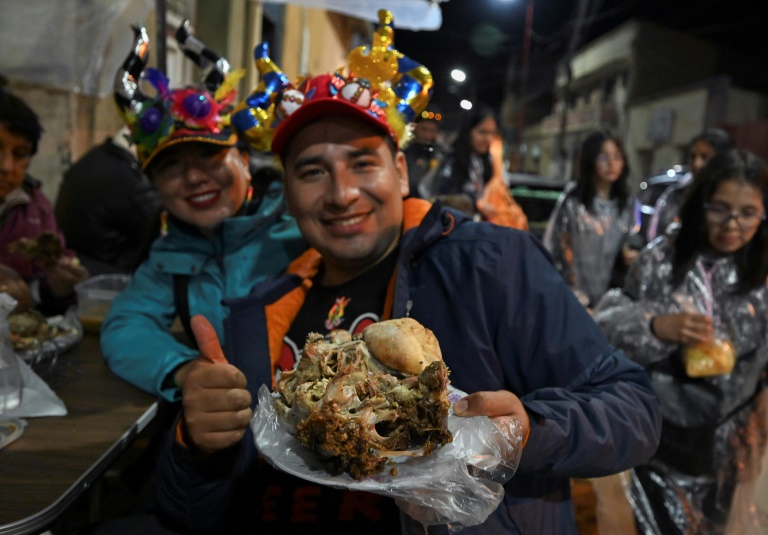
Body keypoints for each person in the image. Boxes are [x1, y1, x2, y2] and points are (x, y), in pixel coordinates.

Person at [152, 11, 660, 534]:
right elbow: (190, 513)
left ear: (400, 170)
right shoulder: (261, 311)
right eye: (312, 171)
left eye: (362, 162)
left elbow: (634, 407)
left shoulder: (491, 265)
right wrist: (197, 444)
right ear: (286, 189)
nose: (342, 192)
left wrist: (533, 432)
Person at [99, 24, 306, 402]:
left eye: (209, 155)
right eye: (171, 166)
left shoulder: (305, 224)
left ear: (245, 160)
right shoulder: (172, 254)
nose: (194, 177)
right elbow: (125, 325)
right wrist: (185, 370)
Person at [593, 149, 768, 534]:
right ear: (700, 204)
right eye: (719, 208)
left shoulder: (761, 272)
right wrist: (655, 326)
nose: (732, 224)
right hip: (660, 438)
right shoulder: (661, 261)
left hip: (731, 448)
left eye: (748, 212)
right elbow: (606, 325)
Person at [0, 89, 88, 315]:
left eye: (19, 154)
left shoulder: (37, 210)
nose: (6, 167)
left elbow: (41, 292)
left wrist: (58, 288)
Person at [543, 129, 637, 309]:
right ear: (590, 160)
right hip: (574, 302)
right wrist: (573, 296)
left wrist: (631, 255)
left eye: (617, 157)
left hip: (612, 304)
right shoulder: (573, 202)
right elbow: (558, 252)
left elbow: (631, 242)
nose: (611, 164)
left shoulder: (626, 205)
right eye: (603, 157)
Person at [54, 125, 161, 275]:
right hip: (106, 275)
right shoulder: (131, 179)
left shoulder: (99, 156)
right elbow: (163, 230)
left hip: (82, 260)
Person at [429, 104, 527, 229]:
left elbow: (499, 189)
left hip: (482, 232)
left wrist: (497, 161)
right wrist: (477, 204)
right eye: (482, 132)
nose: (488, 139)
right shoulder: (452, 161)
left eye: (492, 133)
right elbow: (443, 199)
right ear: (468, 131)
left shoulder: (488, 162)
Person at [646, 127, 733, 242]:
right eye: (693, 157)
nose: (697, 164)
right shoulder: (675, 195)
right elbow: (655, 237)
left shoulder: (734, 198)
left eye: (705, 157)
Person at [402, 107, 447, 199]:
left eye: (432, 131)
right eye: (423, 129)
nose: (427, 135)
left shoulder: (439, 154)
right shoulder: (404, 148)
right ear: (415, 127)